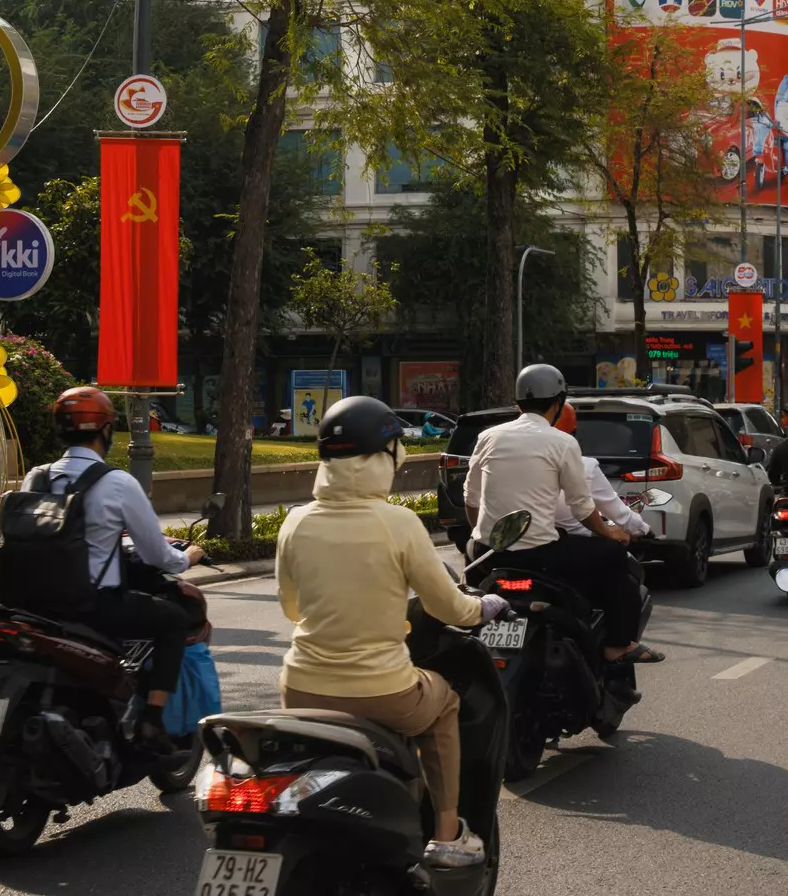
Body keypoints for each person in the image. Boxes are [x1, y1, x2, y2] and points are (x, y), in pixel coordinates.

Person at [276, 395, 510, 869]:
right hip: (382, 691)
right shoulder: (398, 523)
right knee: (444, 703)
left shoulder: (295, 522)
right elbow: (452, 608)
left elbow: (292, 607)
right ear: (382, 459)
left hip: (298, 687)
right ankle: (447, 836)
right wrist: (483, 606)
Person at [32, 387, 204, 755]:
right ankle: (152, 721)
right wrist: (188, 557)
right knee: (173, 621)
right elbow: (157, 555)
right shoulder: (118, 483)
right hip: (92, 607)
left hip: (32, 607)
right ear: (106, 430)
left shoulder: (36, 478)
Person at [464, 364, 660, 665]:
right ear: (557, 404)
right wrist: (610, 534)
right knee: (613, 557)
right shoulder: (563, 443)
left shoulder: (488, 436)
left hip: (487, 553)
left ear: (518, 403)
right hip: (539, 555)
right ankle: (618, 645)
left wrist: (483, 535)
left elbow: (470, 497)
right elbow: (582, 508)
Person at [553, 403, 653, 543]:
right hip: (569, 546)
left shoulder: (520, 461)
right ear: (573, 435)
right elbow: (620, 515)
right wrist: (644, 530)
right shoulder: (583, 466)